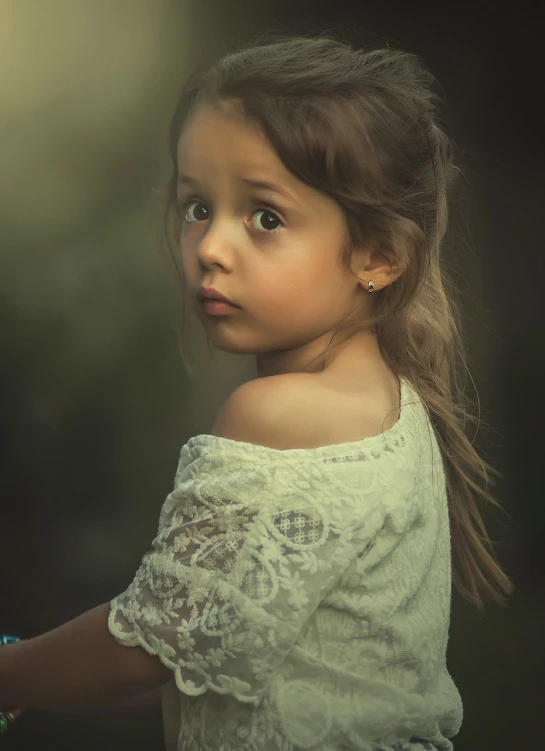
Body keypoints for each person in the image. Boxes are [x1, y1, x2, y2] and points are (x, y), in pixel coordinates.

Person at [0, 31, 514, 751]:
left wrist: (9, 671)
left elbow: (149, 643)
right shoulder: (390, 400)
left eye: (264, 217)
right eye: (195, 207)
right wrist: (31, 674)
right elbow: (211, 658)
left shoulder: (279, 413)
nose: (209, 246)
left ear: (377, 256)